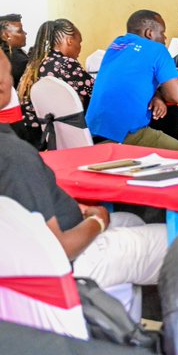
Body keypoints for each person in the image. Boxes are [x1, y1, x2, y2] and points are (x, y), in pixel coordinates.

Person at [0, 47, 167, 290]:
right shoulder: (15, 156)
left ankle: (116, 320)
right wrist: (98, 221)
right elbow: (57, 249)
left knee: (131, 220)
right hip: (71, 263)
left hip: (21, 257)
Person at [86, 10, 178, 150]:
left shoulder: (116, 45)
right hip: (125, 135)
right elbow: (177, 96)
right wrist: (161, 96)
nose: (165, 38)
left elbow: (131, 82)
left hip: (90, 134)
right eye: (162, 33)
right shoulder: (158, 49)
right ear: (149, 33)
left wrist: (157, 95)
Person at [17, 18, 92, 138]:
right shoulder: (65, 63)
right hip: (51, 135)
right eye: (80, 42)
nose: (80, 47)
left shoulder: (35, 64)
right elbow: (95, 92)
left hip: (30, 133)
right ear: (69, 41)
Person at [0, 13, 28, 88]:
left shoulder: (4, 55)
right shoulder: (18, 59)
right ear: (6, 35)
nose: (25, 33)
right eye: (20, 31)